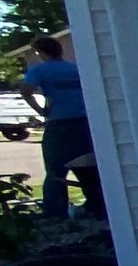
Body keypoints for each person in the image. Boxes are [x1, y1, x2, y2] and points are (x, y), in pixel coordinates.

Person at [18, 34, 98, 220]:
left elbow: (26, 90)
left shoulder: (41, 70)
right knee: (88, 169)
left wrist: (40, 110)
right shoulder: (76, 69)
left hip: (59, 124)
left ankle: (55, 214)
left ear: (41, 52)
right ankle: (97, 208)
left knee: (56, 172)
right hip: (85, 123)